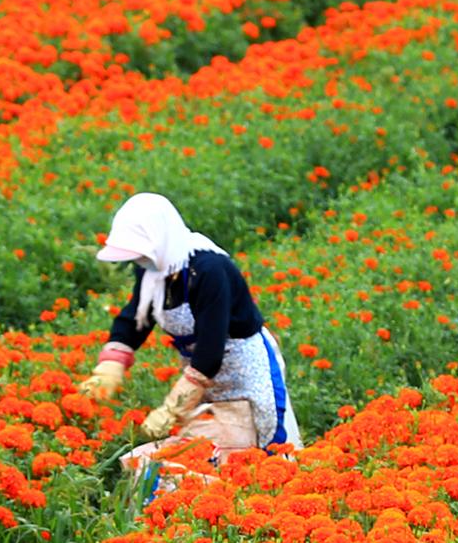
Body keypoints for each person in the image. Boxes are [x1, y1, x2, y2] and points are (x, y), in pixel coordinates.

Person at [74, 192, 300, 480]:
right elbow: (135, 318)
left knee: (254, 451)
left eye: (141, 253)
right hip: (203, 375)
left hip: (244, 370)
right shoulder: (155, 270)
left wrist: (173, 407)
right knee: (203, 451)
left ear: (159, 237)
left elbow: (211, 348)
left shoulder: (208, 270)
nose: (139, 261)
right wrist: (112, 364)